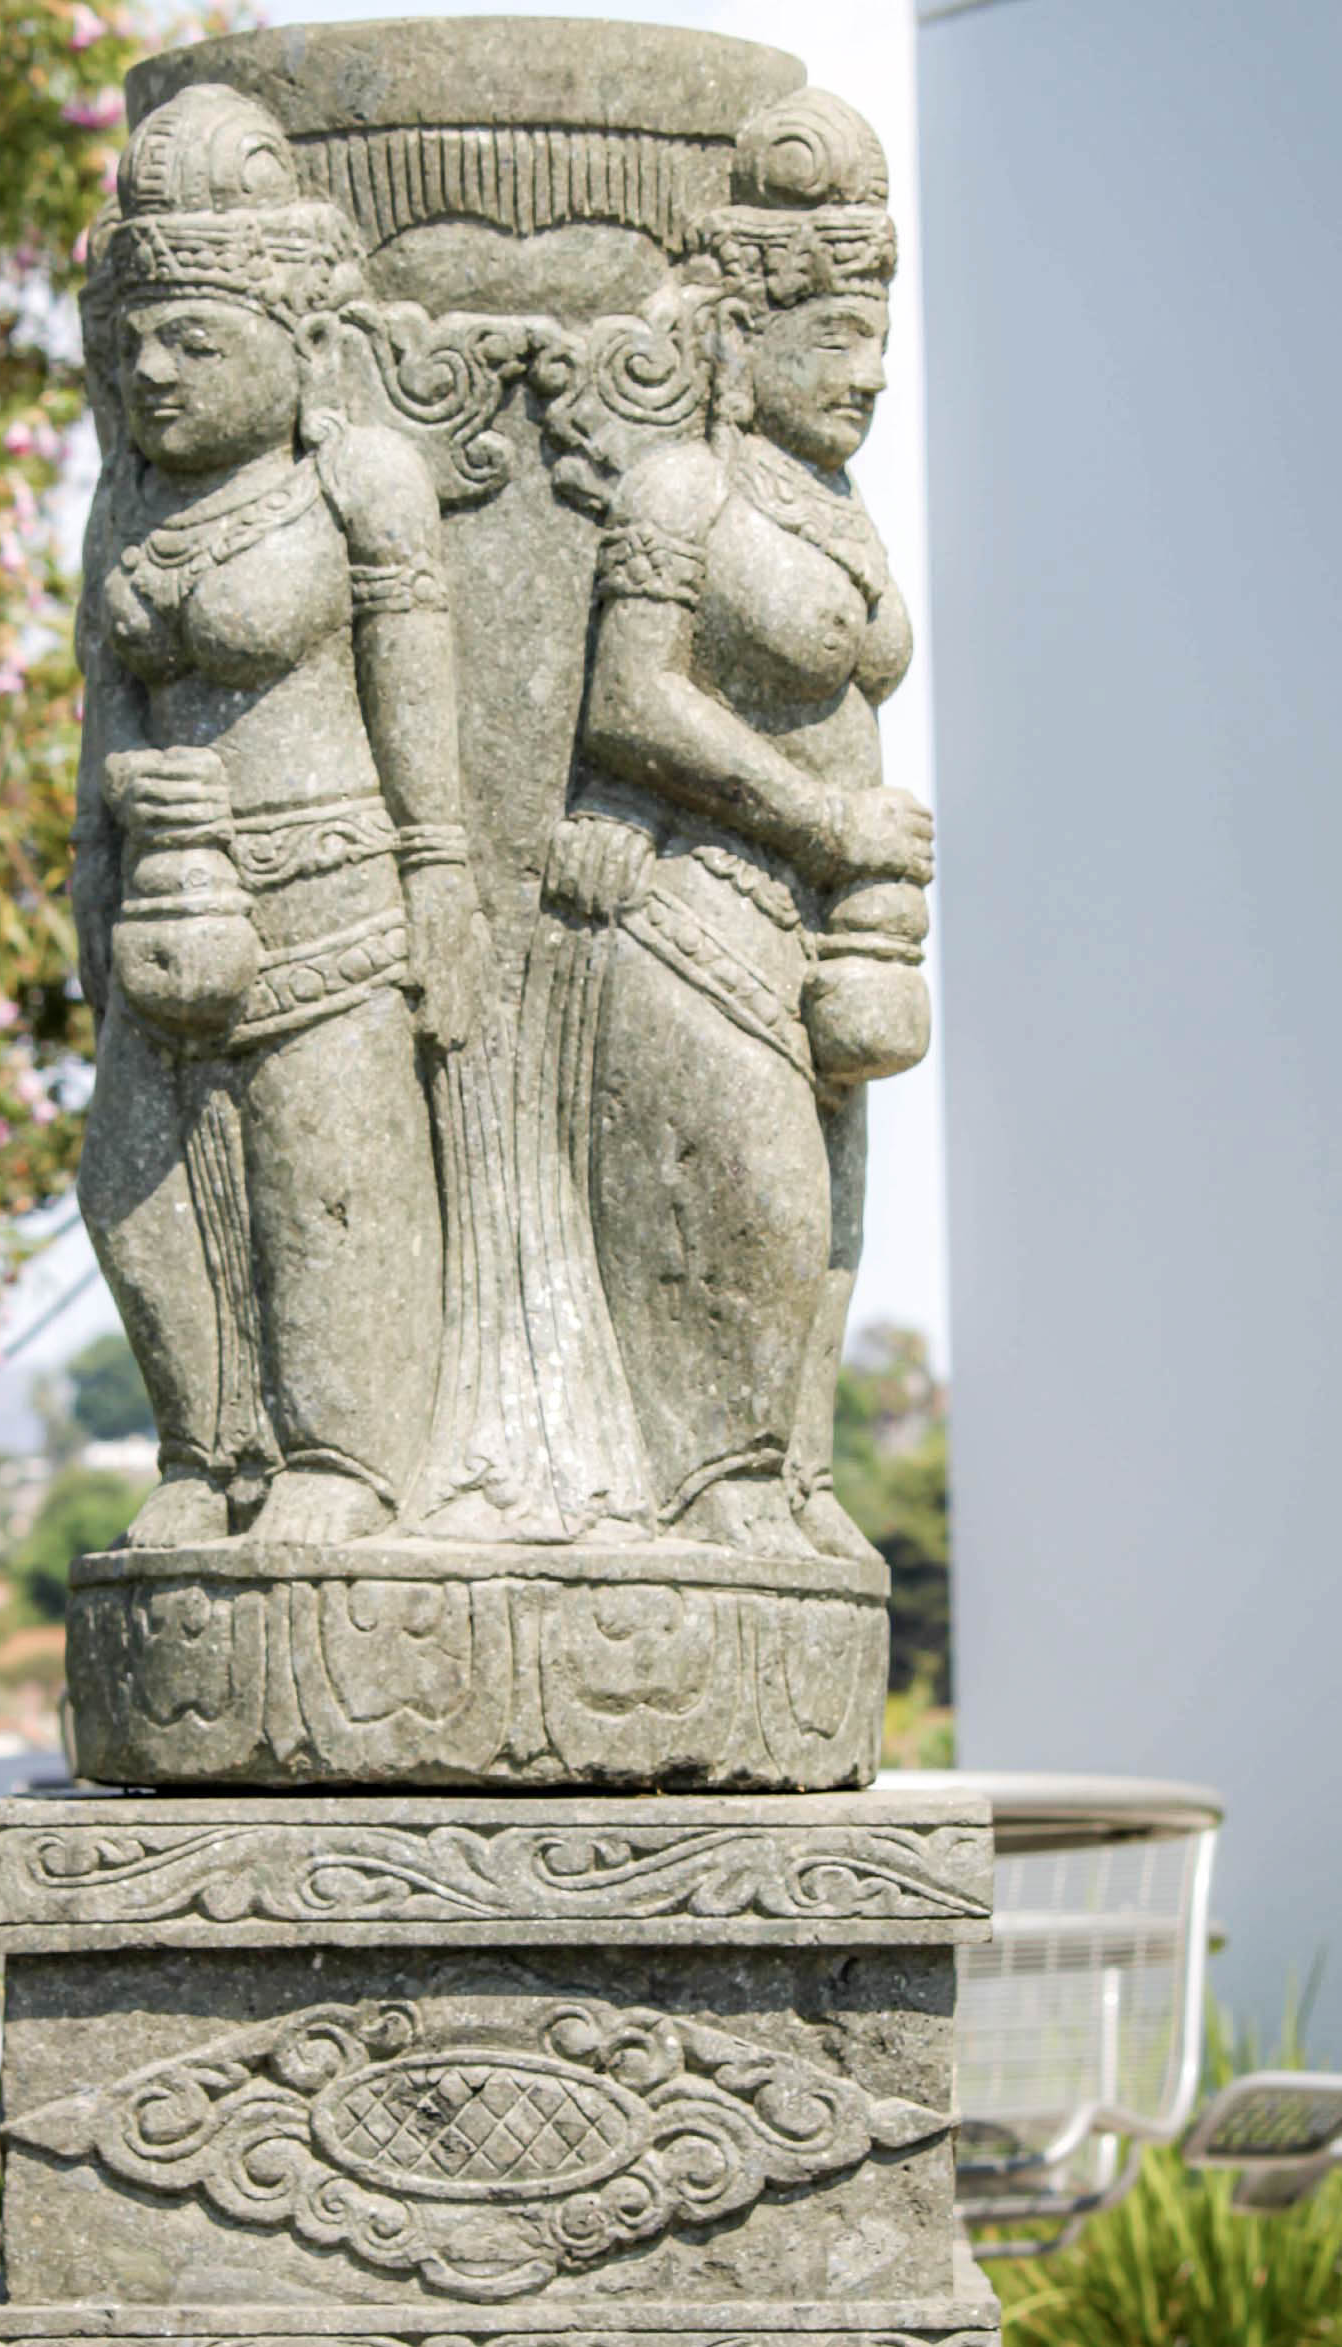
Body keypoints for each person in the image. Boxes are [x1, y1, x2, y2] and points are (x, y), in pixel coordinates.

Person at [525, 88, 933, 1558]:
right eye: (831, 337)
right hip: (697, 906)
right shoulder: (680, 488)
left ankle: (790, 1485)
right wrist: (821, 821)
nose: (866, 375)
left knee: (829, 1237)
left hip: (836, 939)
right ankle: (709, 1494)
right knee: (744, 1221)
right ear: (741, 334)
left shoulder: (836, 508)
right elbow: (626, 704)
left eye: (875, 340)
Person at [71, 84, 481, 1548]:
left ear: (298, 346)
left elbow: (412, 689)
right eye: (134, 345)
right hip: (164, 899)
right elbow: (101, 711)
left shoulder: (352, 476)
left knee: (333, 1185)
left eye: (194, 341)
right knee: (131, 1186)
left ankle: (344, 1458)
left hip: (331, 883)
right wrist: (92, 883)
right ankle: (205, 1454)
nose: (153, 372)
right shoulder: (126, 507)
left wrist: (441, 874)